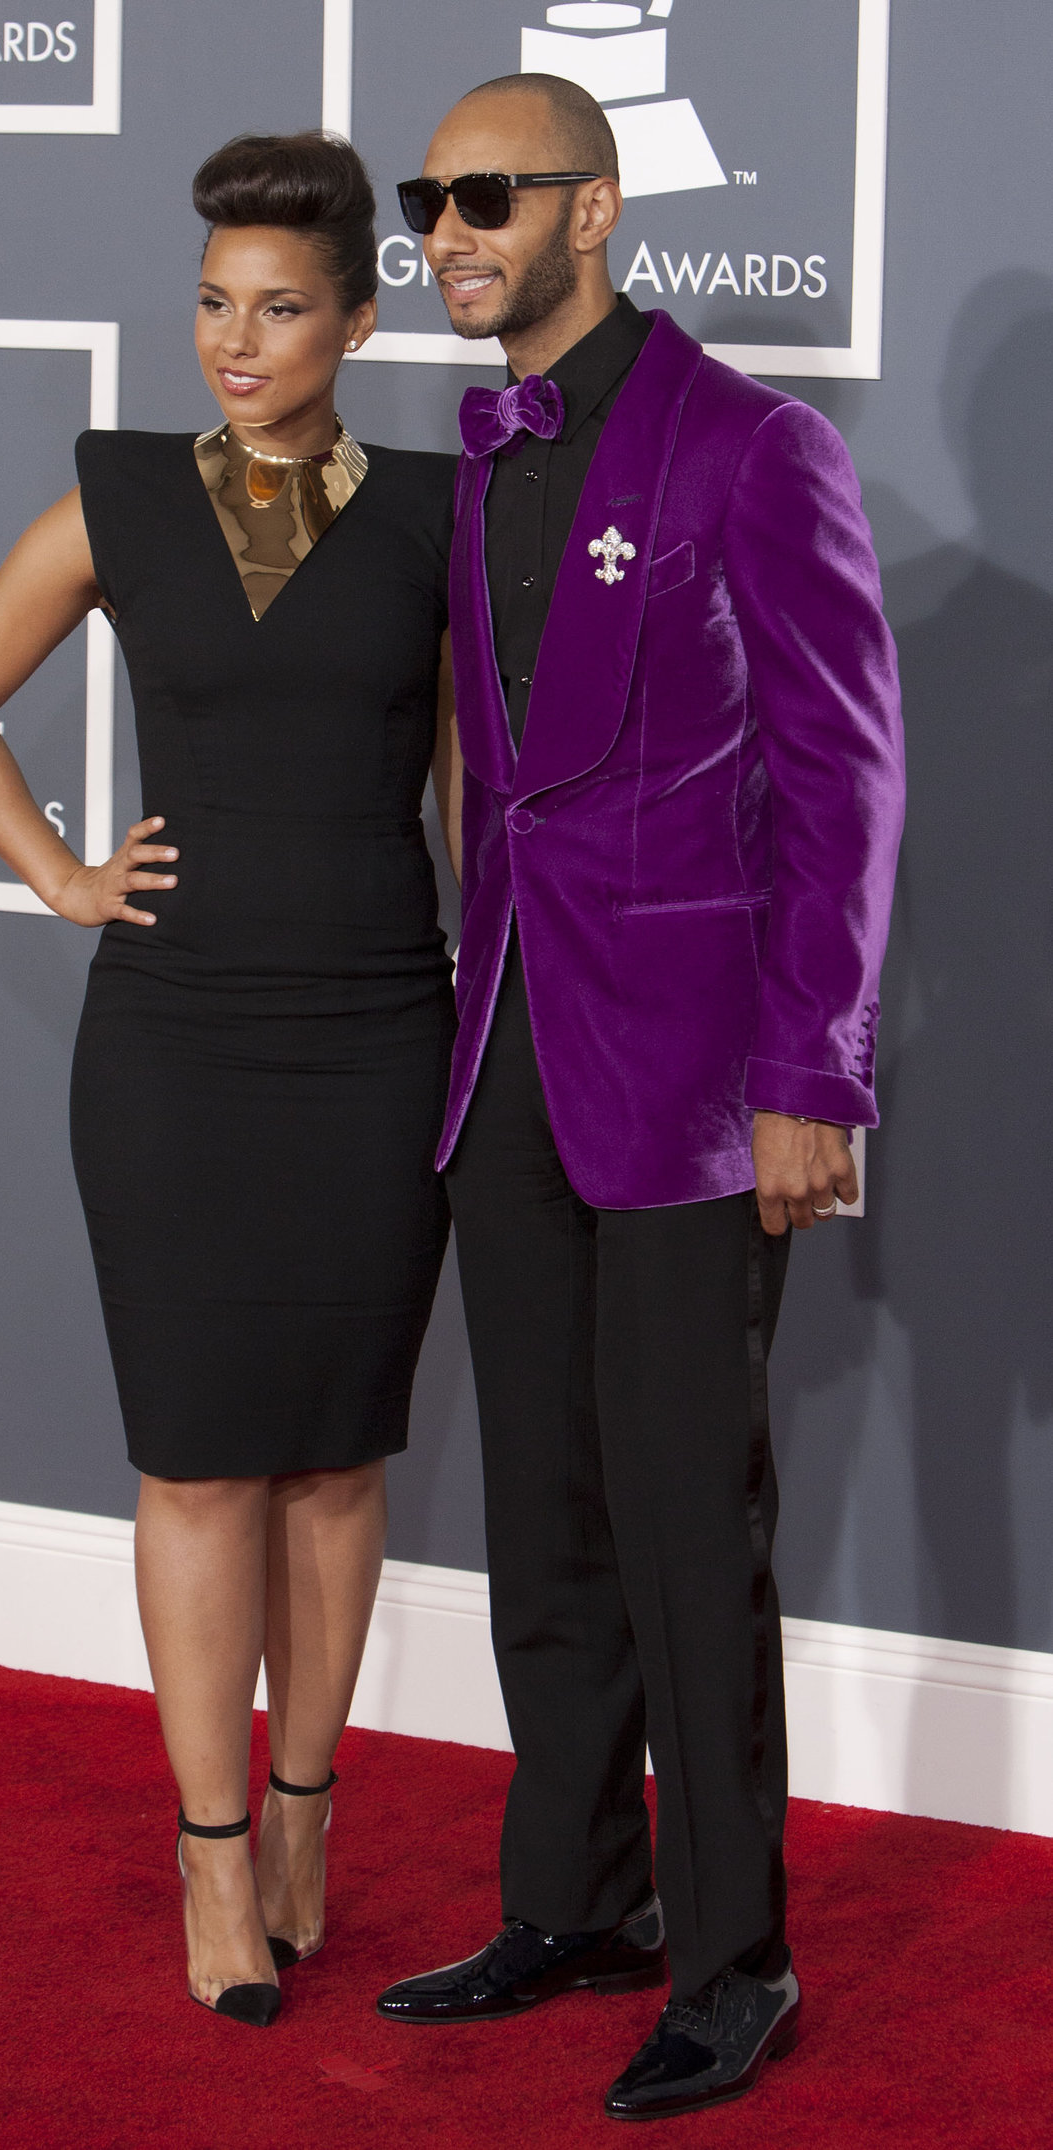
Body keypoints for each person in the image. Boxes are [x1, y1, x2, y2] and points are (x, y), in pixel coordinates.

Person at [374, 75, 904, 2121]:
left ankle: (731, 1953)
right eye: (429, 200)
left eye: (485, 196)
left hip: (697, 1078)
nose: (445, 231)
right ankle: (573, 1898)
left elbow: (844, 789)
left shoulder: (748, 444)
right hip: (502, 1046)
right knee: (547, 1509)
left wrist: (811, 1074)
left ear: (591, 210)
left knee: (690, 1525)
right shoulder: (480, 446)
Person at [0, 131, 460, 2030]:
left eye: (280, 306)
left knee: (333, 1462)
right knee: (201, 1457)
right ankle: (212, 1851)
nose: (237, 337)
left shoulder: (436, 519)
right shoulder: (121, 493)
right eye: (215, 303)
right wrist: (65, 872)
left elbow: (472, 802)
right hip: (176, 1043)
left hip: (383, 1030)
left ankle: (307, 1815)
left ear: (357, 323)